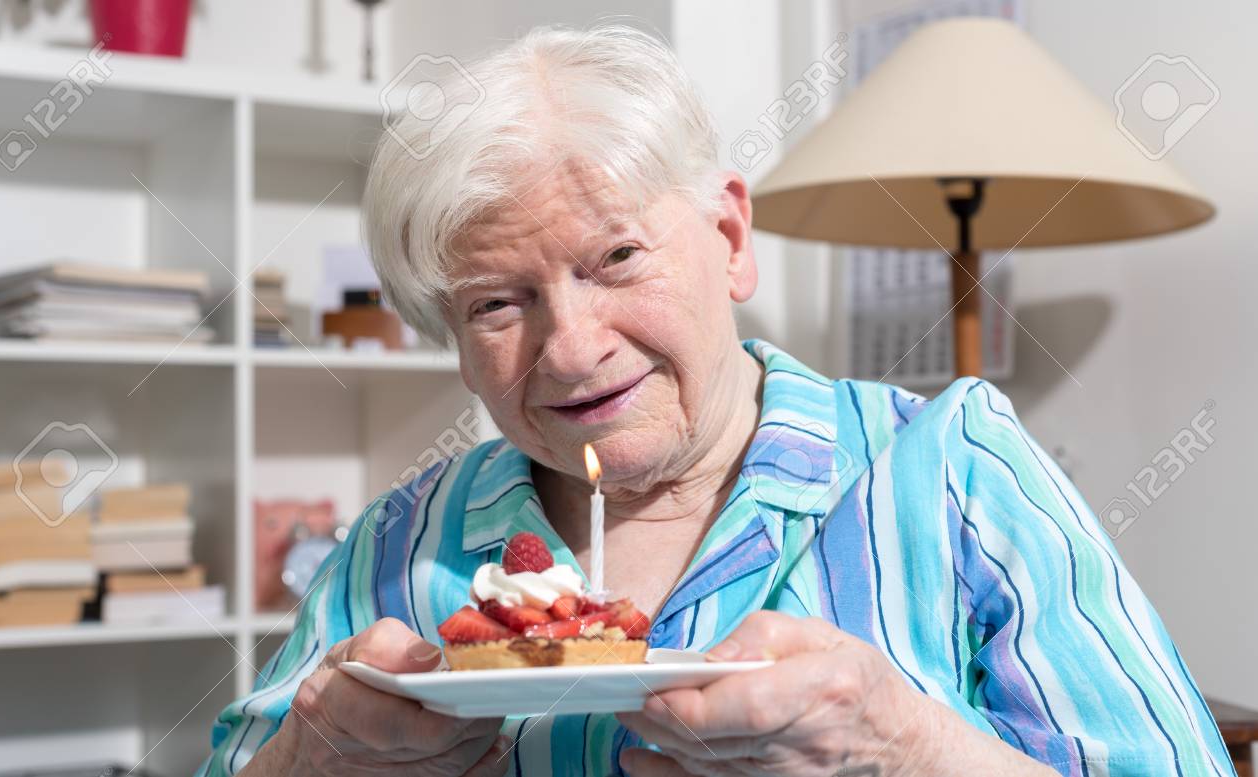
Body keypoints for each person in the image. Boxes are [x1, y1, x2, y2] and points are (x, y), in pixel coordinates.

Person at [198, 24, 1232, 777]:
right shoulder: (397, 542)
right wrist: (310, 757)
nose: (572, 349)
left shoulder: (954, 463)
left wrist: (905, 746)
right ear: (456, 346)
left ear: (729, 239)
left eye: (616, 258)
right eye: (496, 304)